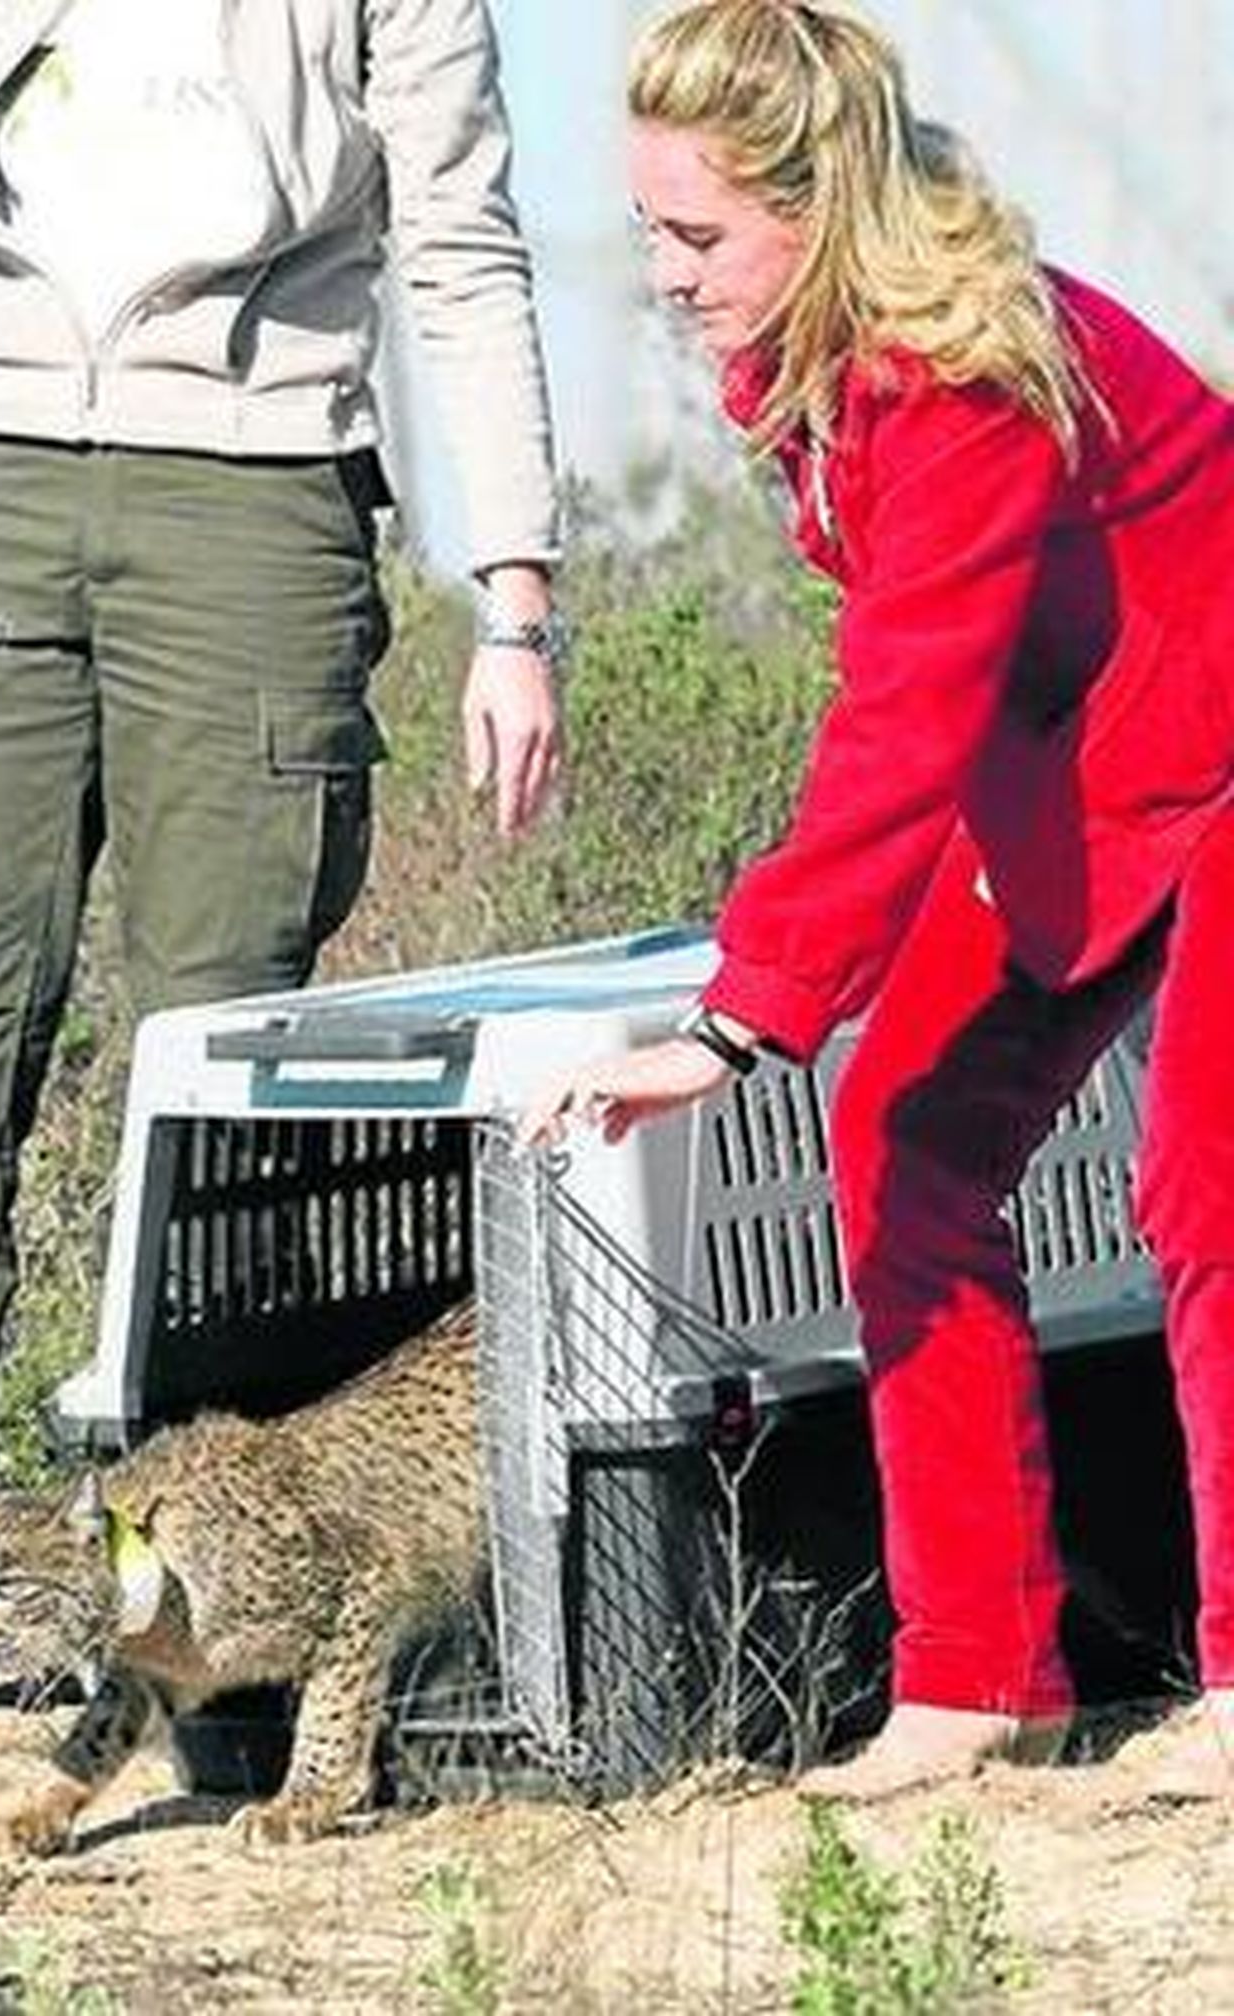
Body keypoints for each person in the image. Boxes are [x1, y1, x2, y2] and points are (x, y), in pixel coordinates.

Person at [0, 0, 565, 1765]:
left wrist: (514, 598)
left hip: (260, 494)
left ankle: (236, 1663)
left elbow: (460, 232)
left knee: (222, 1123)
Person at [521, 0, 1234, 1799]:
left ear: (819, 204)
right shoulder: (815, 380)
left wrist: (741, 1013)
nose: (667, 279)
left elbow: (906, 708)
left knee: (1209, 1176)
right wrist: (802, 999)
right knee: (902, 1134)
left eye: (699, 236)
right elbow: (948, 697)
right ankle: (983, 1677)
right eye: (652, 233)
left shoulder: (962, 379)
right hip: (1093, 760)